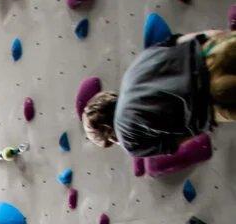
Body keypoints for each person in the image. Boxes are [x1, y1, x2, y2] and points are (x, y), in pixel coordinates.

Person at [82, 28, 236, 156]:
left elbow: (174, 143)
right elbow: (181, 40)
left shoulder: (129, 141)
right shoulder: (135, 67)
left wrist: (202, 126)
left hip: (213, 99)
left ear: (112, 138)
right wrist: (219, 36)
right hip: (212, 51)